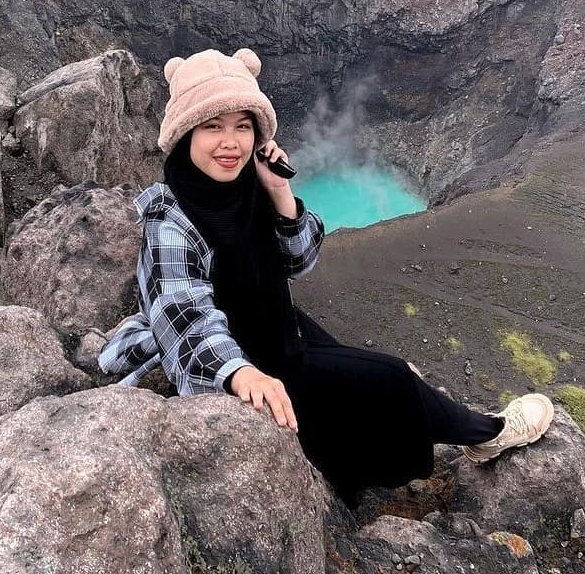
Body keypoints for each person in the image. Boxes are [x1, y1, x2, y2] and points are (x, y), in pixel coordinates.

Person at [98, 47, 554, 502]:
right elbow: (184, 315)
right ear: (185, 135)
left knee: (364, 374)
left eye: (242, 126)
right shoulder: (171, 218)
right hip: (237, 361)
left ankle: (406, 416)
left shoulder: (249, 186)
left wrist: (280, 190)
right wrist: (241, 375)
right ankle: (487, 435)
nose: (230, 142)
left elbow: (300, 260)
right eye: (212, 127)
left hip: (273, 330)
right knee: (391, 378)